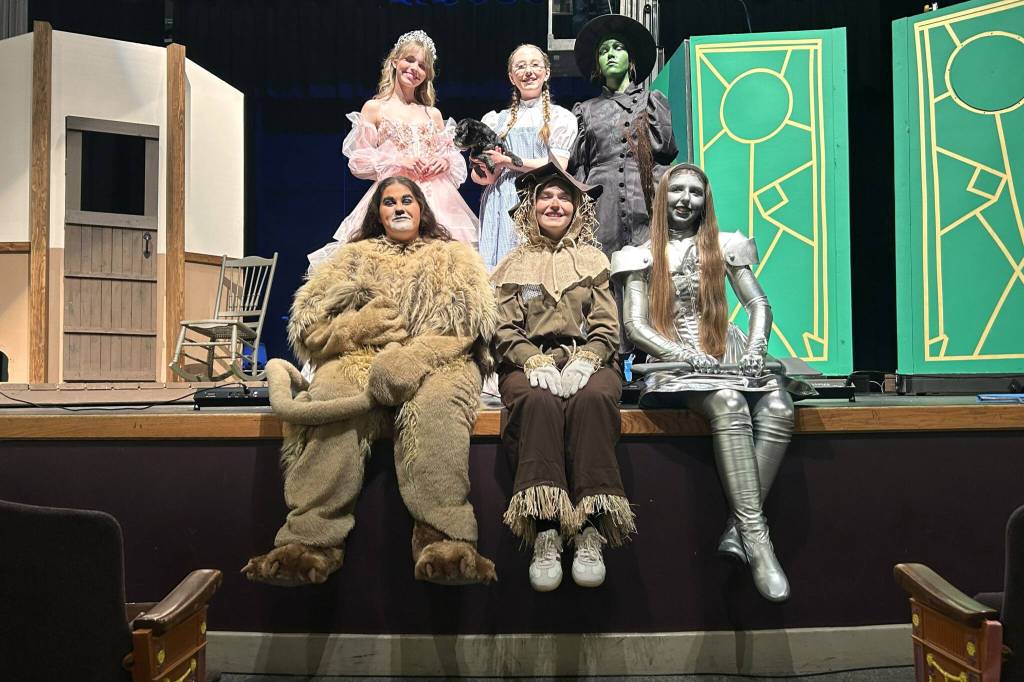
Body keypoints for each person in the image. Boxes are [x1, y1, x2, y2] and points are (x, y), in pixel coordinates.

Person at [245, 176, 498, 587]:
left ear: (421, 208)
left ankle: (446, 539)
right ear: (377, 213)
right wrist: (356, 328)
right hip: (360, 357)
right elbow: (310, 328)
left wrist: (414, 356)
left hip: (438, 360)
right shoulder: (351, 258)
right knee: (329, 394)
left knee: (436, 406)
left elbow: (467, 329)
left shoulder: (454, 257)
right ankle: (310, 540)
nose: (399, 207)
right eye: (389, 202)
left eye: (407, 200)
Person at [612, 163, 796, 602]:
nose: (685, 199)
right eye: (677, 190)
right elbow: (635, 326)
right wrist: (683, 354)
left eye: (695, 191)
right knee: (730, 402)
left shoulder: (727, 244)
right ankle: (758, 539)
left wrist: (755, 349)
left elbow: (758, 304)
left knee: (781, 406)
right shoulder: (639, 254)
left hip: (726, 352)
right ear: (662, 197)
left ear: (705, 199)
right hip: (673, 363)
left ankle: (737, 530)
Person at [492, 157, 632, 592]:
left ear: (576, 208)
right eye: (546, 197)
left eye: (563, 198)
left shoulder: (593, 260)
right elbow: (503, 328)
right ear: (531, 207)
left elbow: (608, 326)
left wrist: (587, 359)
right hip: (527, 360)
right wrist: (531, 359)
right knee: (537, 401)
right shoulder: (513, 264)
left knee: (593, 399)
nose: (555, 204)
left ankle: (590, 526)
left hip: (586, 358)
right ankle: (546, 528)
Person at [308, 30, 477, 269]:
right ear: (395, 61)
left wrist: (445, 162)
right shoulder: (376, 108)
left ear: (427, 73)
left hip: (437, 197)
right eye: (409, 60)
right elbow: (358, 161)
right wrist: (398, 161)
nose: (414, 68)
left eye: (422, 65)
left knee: (441, 266)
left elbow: (453, 158)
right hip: (395, 193)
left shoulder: (432, 113)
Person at [568, 14, 678, 258]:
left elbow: (665, 157)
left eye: (618, 48)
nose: (610, 54)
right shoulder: (584, 110)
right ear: (597, 63)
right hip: (601, 205)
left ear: (630, 59)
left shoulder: (651, 101)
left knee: (649, 273)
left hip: (644, 196)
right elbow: (579, 168)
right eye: (603, 50)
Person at [472, 44, 578, 270]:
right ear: (511, 77)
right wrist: (490, 167)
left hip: (539, 197)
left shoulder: (561, 118)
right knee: (499, 271)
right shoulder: (495, 121)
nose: (528, 71)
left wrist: (508, 161)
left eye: (535, 65)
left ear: (546, 72)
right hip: (500, 202)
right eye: (520, 67)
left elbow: (557, 165)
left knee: (534, 272)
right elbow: (479, 178)